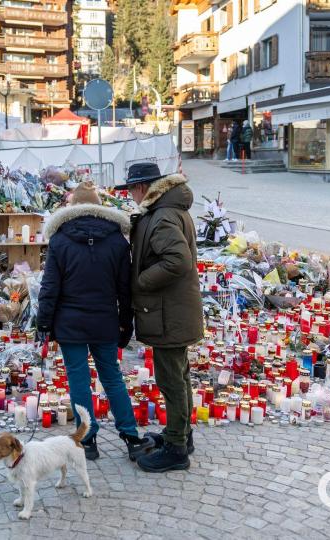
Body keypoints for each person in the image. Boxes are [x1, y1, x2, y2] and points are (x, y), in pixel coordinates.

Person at [36, 181, 154, 462]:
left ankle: (87, 440)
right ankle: (131, 436)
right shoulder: (116, 240)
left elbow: (49, 287)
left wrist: (44, 324)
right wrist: (127, 324)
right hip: (104, 321)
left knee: (78, 379)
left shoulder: (61, 239)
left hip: (70, 323)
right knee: (112, 378)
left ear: (73, 207)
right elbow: (125, 289)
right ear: (99, 208)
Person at [116, 163, 203, 473]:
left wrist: (140, 281)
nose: (130, 195)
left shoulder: (163, 215)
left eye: (131, 189)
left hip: (169, 312)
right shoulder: (166, 209)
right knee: (178, 375)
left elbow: (177, 261)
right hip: (173, 310)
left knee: (171, 380)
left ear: (144, 188)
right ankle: (179, 435)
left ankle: (177, 449)